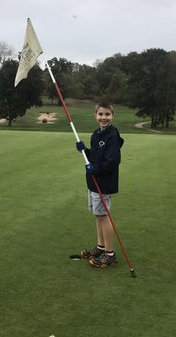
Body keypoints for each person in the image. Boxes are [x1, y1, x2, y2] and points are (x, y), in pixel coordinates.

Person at [76, 102, 124, 268]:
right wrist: (85, 151)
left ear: (113, 116)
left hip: (104, 182)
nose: (104, 118)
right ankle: (100, 247)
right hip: (94, 181)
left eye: (107, 114)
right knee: (98, 215)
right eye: (101, 114)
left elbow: (112, 161)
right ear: (95, 116)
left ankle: (109, 254)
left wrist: (96, 168)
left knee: (104, 216)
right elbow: (95, 156)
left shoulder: (113, 135)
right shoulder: (96, 134)